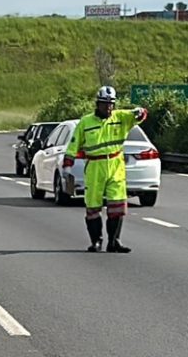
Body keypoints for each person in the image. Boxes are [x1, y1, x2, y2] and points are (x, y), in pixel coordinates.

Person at [63, 86, 147, 253]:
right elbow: (73, 144)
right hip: (95, 166)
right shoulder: (86, 122)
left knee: (117, 205)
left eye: (111, 104)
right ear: (97, 104)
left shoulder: (120, 117)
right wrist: (67, 165)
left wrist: (140, 112)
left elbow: (139, 115)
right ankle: (96, 241)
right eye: (104, 104)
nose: (108, 107)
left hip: (116, 166)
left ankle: (114, 241)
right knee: (93, 205)